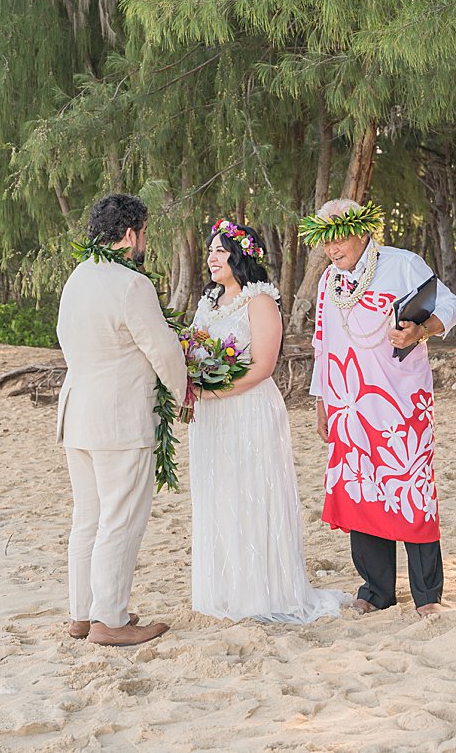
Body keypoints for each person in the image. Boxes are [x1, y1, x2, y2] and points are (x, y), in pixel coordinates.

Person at [302, 199, 456, 617]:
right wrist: (322, 400)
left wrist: (421, 330)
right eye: (325, 242)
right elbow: (322, 344)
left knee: (411, 492)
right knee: (361, 491)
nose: (332, 249)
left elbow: (451, 306)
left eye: (338, 238)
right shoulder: (328, 282)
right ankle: (376, 590)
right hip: (347, 403)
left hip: (400, 401)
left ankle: (427, 595)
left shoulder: (401, 263)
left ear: (361, 231)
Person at [188, 219, 345, 622]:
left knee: (251, 493)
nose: (212, 257)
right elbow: (191, 353)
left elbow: (262, 366)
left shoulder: (260, 302)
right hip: (211, 419)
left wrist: (208, 391)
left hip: (249, 411)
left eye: (221, 250)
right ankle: (225, 589)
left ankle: (261, 593)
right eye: (211, 250)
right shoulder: (208, 303)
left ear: (241, 256)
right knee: (218, 495)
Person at [56, 194, 188, 646]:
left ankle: (82, 613)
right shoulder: (131, 285)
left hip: (77, 417)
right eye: (143, 232)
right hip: (120, 419)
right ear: (129, 234)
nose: (143, 241)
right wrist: (182, 393)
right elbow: (163, 349)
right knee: (120, 519)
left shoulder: (76, 280)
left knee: (87, 518)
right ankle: (109, 620)